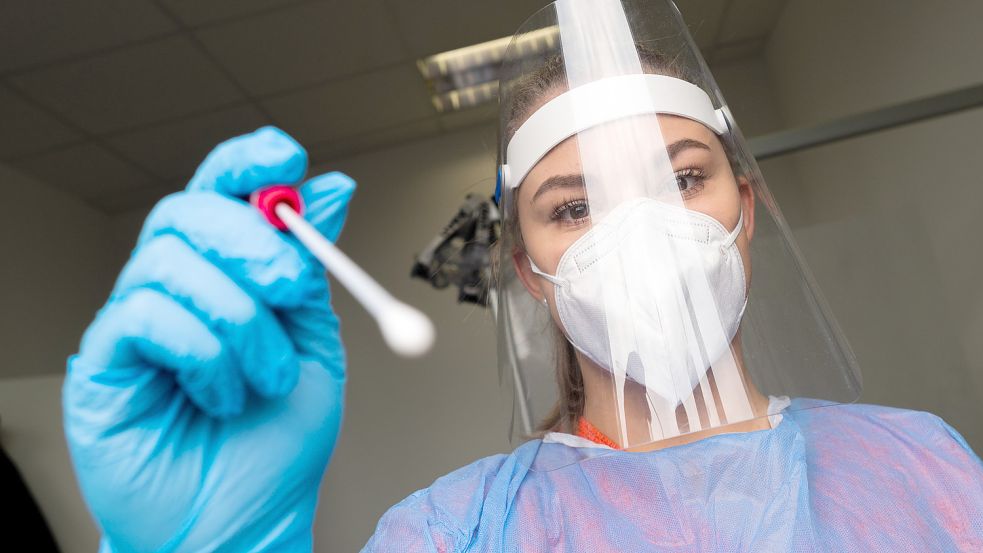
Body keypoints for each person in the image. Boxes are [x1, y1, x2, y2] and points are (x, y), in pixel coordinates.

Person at [64, 0, 983, 551]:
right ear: (530, 270)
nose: (643, 232)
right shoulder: (454, 532)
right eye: (574, 207)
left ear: (746, 206)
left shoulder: (919, 460)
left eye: (680, 178)